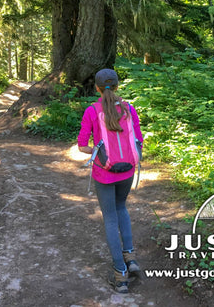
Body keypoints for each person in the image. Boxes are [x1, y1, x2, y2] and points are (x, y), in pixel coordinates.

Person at [77, 68, 143, 293]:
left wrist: (98, 152)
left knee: (110, 218)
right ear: (117, 86)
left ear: (96, 87)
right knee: (121, 208)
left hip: (105, 172)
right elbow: (139, 140)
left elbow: (82, 145)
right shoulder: (129, 108)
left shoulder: (92, 111)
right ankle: (131, 257)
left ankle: (120, 274)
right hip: (128, 170)